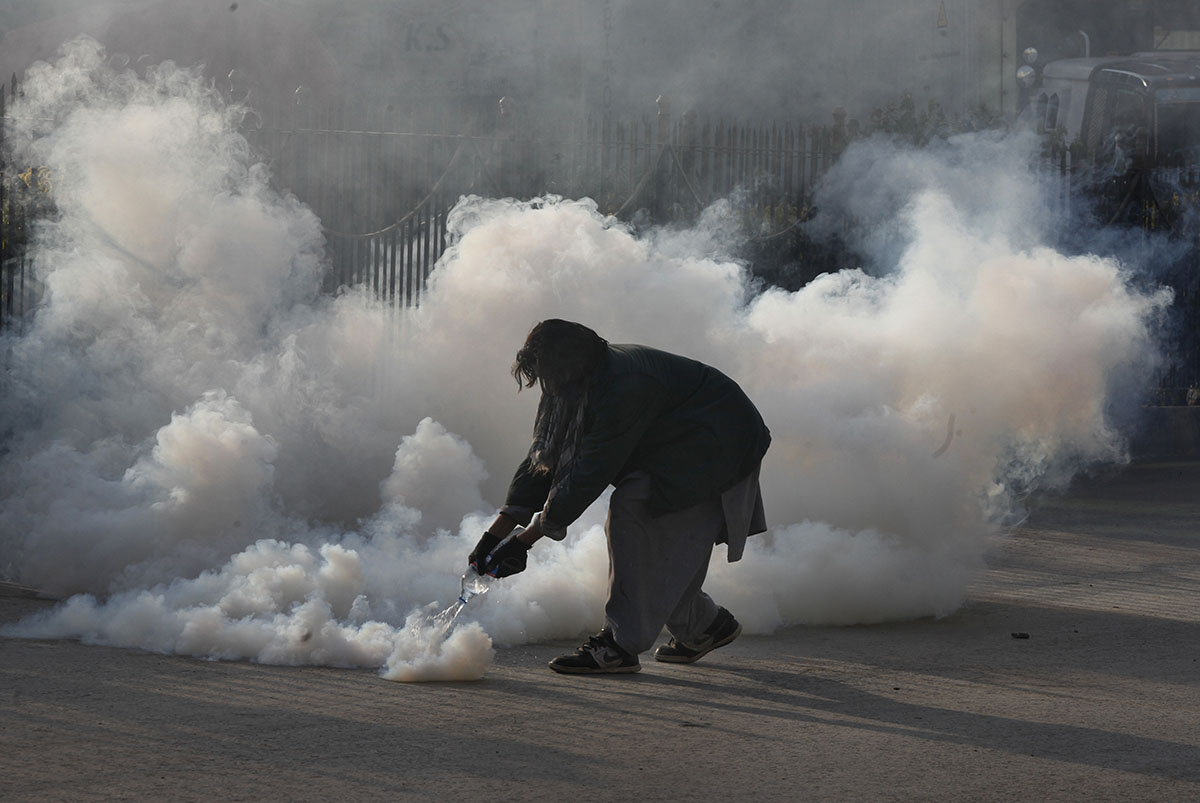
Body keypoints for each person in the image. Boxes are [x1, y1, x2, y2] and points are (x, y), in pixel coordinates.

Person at [469, 319, 771, 675]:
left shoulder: (624, 386)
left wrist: (524, 541)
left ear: (571, 364)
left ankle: (619, 646)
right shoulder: (569, 384)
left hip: (718, 441)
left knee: (634, 512)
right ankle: (705, 626)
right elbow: (544, 461)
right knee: (663, 547)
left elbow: (589, 473)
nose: (547, 385)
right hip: (683, 441)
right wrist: (494, 536)